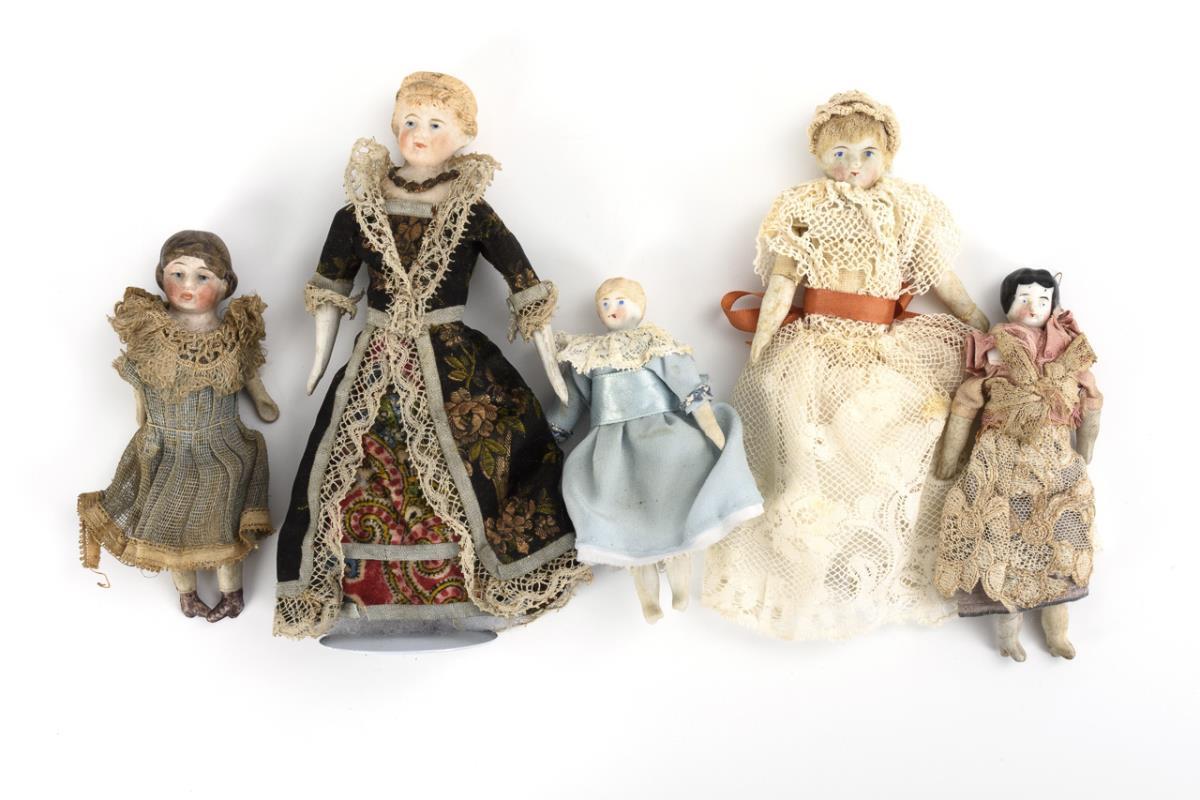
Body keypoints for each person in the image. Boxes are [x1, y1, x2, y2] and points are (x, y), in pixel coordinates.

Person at [275, 72, 588, 639]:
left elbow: (523, 281)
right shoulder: (358, 211)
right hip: (375, 357)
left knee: (478, 461)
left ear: (464, 136)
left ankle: (465, 592)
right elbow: (331, 288)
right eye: (409, 122)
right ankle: (358, 596)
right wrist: (319, 361)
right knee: (353, 467)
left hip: (454, 358)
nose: (418, 133)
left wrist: (550, 358)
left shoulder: (473, 212)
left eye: (435, 124)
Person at [704, 91, 990, 640]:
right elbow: (783, 282)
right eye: (839, 154)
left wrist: (982, 322)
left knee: (903, 436)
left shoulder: (906, 208)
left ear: (888, 156)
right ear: (818, 155)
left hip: (883, 348)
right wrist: (763, 343)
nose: (853, 166)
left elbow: (941, 277)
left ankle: (884, 560)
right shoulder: (803, 206)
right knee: (805, 449)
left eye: (866, 153)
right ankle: (813, 564)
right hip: (814, 347)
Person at [78, 230, 277, 621]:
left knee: (222, 522)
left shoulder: (233, 335)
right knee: (169, 528)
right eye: (178, 274)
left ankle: (231, 591)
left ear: (226, 285)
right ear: (161, 277)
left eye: (203, 277)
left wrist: (262, 400)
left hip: (221, 445)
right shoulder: (152, 333)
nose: (189, 285)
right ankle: (187, 593)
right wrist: (143, 416)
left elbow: (248, 372)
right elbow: (141, 388)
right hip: (166, 446)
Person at [548, 277, 762, 623]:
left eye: (620, 302)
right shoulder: (586, 355)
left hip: (663, 435)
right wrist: (551, 436)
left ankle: (679, 588)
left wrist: (709, 425)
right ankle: (648, 598)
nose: (612, 310)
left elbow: (685, 384)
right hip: (613, 447)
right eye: (605, 304)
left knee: (675, 513)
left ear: (639, 305)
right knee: (630, 526)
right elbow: (570, 402)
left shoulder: (654, 343)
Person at [934, 268, 1101, 661]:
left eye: (1043, 299)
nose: (1033, 306)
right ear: (1007, 304)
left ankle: (1057, 632)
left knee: (1061, 545)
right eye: (1023, 298)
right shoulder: (997, 350)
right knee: (1004, 548)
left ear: (1053, 306)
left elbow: (1091, 400)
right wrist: (949, 457)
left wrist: (1086, 448)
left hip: (1055, 463)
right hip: (1002, 460)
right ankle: (1008, 635)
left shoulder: (1069, 355)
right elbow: (967, 401)